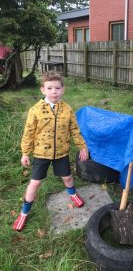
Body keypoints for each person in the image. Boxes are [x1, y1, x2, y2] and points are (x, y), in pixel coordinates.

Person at [13, 72, 88, 231]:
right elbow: (29, 132)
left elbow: (75, 129)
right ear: (43, 90)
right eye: (50, 88)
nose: (54, 91)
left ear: (63, 90)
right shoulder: (35, 110)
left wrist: (82, 146)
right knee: (36, 182)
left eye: (57, 88)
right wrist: (25, 152)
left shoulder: (67, 109)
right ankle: (24, 212)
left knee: (67, 177)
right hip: (41, 154)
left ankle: (73, 194)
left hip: (61, 153)